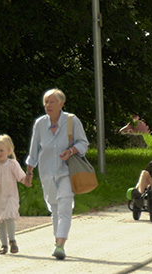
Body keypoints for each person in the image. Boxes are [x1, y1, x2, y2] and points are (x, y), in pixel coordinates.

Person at [24, 89, 89, 260]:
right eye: (46, 102)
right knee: (54, 208)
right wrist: (29, 172)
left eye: (52, 102)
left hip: (67, 171)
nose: (48, 105)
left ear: (61, 104)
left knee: (65, 207)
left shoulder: (71, 121)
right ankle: (57, 242)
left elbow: (84, 143)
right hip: (46, 173)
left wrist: (72, 150)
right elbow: (34, 150)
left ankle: (60, 244)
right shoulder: (39, 124)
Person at [0, 134, 25, 255]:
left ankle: (12, 240)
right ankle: (3, 244)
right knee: (0, 222)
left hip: (10, 196)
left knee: (8, 218)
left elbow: (21, 177)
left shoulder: (12, 164)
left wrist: (27, 180)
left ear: (9, 151)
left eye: (1, 150)